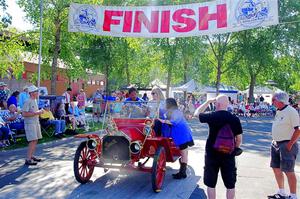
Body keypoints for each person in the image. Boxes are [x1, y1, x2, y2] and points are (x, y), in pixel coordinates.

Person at [194, 95, 243, 199]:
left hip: (212, 154)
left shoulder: (212, 116)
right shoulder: (234, 119)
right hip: (228, 155)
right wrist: (234, 149)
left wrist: (207, 102)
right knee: (230, 184)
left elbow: (196, 114)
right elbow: (239, 139)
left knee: (211, 183)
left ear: (217, 104)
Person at [268, 92, 300, 199]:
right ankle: (282, 192)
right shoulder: (278, 111)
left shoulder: (291, 111)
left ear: (280, 101)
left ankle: (293, 196)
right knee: (276, 168)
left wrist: (290, 144)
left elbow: (298, 130)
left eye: (273, 100)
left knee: (288, 170)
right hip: (276, 143)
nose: (272, 102)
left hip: (286, 144)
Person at [157, 98, 194, 179]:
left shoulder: (177, 112)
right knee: (183, 153)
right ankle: (182, 170)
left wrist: (162, 120)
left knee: (184, 153)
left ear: (169, 104)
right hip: (181, 134)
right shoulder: (171, 112)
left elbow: (174, 122)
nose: (165, 105)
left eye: (166, 103)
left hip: (183, 134)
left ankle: (182, 173)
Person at [22, 85, 44, 166]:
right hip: (30, 123)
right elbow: (24, 113)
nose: (37, 93)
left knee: (35, 140)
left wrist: (39, 111)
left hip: (35, 122)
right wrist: (37, 113)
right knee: (32, 140)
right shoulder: (27, 101)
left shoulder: (34, 100)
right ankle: (28, 159)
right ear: (32, 93)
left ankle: (31, 156)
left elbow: (33, 111)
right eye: (36, 91)